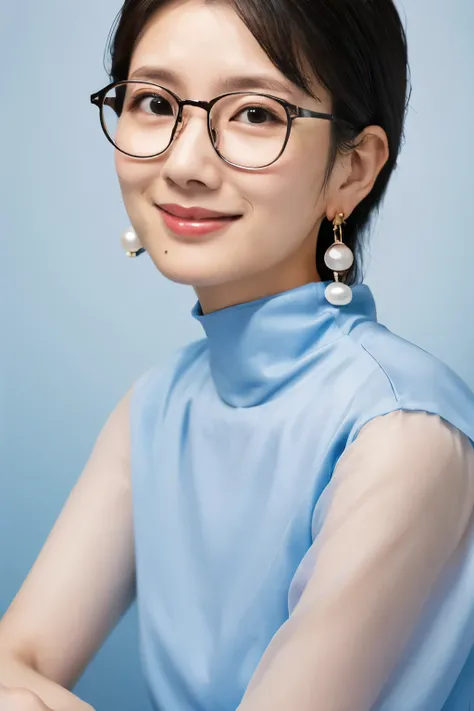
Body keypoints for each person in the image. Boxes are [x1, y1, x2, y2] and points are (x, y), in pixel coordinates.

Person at [1, 0, 474, 709]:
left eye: (256, 114)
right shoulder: (158, 405)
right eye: (156, 102)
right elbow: (17, 656)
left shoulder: (402, 429)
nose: (185, 163)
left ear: (352, 168)